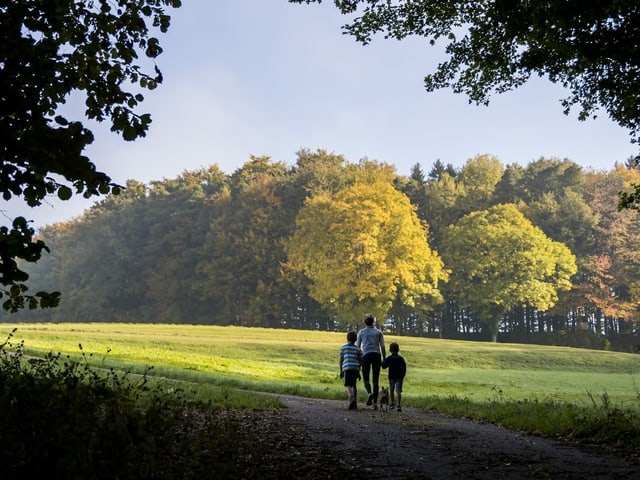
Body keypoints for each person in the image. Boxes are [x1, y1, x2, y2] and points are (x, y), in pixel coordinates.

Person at [356, 314, 386, 410]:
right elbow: (382, 346)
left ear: (365, 322)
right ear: (374, 322)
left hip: (366, 355)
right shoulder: (379, 332)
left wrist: (358, 358)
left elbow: (358, 346)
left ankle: (369, 393)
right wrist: (384, 358)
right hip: (376, 355)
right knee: (375, 379)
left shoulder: (361, 332)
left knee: (366, 378)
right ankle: (375, 404)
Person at [339, 331, 362, 410]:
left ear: (347, 338)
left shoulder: (343, 348)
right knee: (354, 384)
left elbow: (341, 360)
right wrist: (359, 371)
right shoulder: (358, 349)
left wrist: (341, 370)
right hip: (355, 368)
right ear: (355, 339)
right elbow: (360, 360)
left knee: (348, 385)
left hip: (347, 368)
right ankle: (355, 403)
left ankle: (351, 397)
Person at [381, 342, 406, 412]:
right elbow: (404, 368)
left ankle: (392, 404)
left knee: (391, 390)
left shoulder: (389, 358)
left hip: (391, 376)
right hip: (399, 377)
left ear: (390, 350)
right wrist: (402, 376)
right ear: (398, 350)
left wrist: (382, 361)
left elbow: (383, 366)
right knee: (398, 391)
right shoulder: (401, 359)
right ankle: (398, 405)